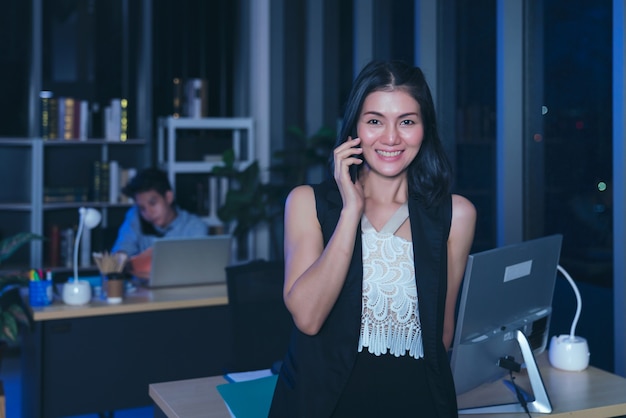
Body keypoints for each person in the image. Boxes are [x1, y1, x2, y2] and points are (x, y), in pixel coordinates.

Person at [269, 60, 476, 417]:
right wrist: (351, 211)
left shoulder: (455, 215)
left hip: (416, 403)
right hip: (323, 404)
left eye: (407, 121)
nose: (392, 138)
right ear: (354, 128)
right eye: (375, 121)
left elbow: (441, 333)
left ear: (425, 128)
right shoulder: (307, 202)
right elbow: (307, 317)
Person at [111, 168, 208, 276]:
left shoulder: (195, 227)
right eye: (142, 208)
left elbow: (198, 269)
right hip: (143, 289)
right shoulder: (135, 216)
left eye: (153, 203)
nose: (148, 213)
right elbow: (122, 250)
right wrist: (121, 258)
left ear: (168, 197)